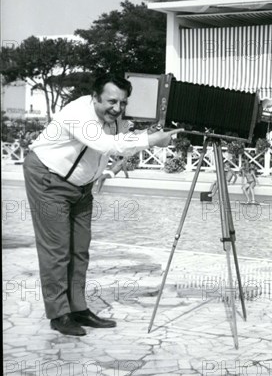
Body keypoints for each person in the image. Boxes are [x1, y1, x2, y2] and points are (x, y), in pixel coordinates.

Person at [22, 73, 183, 336]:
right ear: (95, 96)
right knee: (57, 250)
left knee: (80, 249)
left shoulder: (115, 120)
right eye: (111, 101)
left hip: (81, 186)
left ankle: (78, 308)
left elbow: (122, 147)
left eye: (122, 103)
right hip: (48, 177)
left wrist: (150, 135)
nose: (117, 108)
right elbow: (105, 144)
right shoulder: (77, 112)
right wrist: (151, 140)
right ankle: (59, 314)